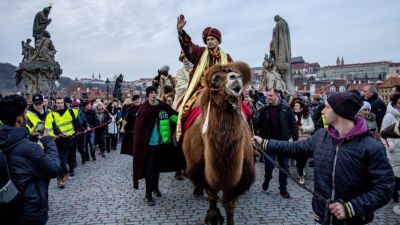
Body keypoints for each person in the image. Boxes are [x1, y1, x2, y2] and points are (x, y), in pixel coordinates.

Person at [253, 90, 395, 225]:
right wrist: (264, 143)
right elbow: (295, 148)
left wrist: (351, 208)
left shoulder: (370, 146)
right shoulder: (321, 136)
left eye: (327, 107)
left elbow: (384, 187)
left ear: (340, 111)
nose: (322, 111)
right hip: (322, 216)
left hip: (354, 220)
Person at [0, 94, 60, 225]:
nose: (26, 116)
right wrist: (48, 140)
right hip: (28, 212)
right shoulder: (29, 149)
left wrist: (29, 137)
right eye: (25, 113)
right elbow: (54, 168)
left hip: (5, 209)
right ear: (19, 119)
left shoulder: (10, 141)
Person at [175, 14, 233, 140]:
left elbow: (232, 75)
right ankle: (179, 138)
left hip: (222, 90)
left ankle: (249, 140)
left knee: (244, 109)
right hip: (201, 90)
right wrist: (180, 31)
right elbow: (188, 47)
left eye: (212, 39)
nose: (209, 41)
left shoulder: (227, 58)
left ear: (218, 41)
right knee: (182, 111)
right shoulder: (200, 52)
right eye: (207, 40)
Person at [132, 86, 178, 206]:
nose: (153, 94)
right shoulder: (144, 108)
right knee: (149, 169)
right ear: (147, 95)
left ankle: (155, 188)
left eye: (155, 92)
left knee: (157, 168)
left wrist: (180, 121)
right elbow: (139, 128)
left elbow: (173, 116)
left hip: (161, 144)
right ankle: (148, 194)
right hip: (148, 145)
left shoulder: (162, 106)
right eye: (151, 93)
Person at [254, 88, 298, 198]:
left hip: (283, 143)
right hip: (268, 143)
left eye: (270, 96)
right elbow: (256, 124)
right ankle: (267, 178)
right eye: (268, 96)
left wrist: (295, 141)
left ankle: (283, 188)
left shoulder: (286, 109)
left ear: (277, 97)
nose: (268, 98)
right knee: (269, 166)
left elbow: (293, 125)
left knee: (284, 167)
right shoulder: (263, 110)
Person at [44, 97, 78, 188]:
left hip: (69, 138)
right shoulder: (51, 114)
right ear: (55, 103)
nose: (60, 104)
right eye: (58, 103)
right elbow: (49, 127)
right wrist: (57, 134)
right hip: (57, 139)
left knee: (62, 159)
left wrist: (78, 131)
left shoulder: (71, 111)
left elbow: (76, 122)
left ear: (64, 103)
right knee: (60, 159)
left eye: (61, 102)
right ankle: (63, 175)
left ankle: (60, 178)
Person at [380, 93, 400, 215]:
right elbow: (383, 134)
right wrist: (391, 147)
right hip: (395, 152)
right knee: (396, 177)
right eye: (399, 103)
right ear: (395, 103)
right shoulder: (389, 116)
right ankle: (396, 203)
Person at [291, 100, 314, 184]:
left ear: (301, 108)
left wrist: (302, 128)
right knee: (299, 157)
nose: (295, 107)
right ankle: (300, 174)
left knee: (303, 158)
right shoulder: (291, 116)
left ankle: (301, 170)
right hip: (295, 140)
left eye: (297, 106)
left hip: (305, 139)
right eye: (294, 106)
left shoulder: (307, 116)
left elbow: (312, 127)